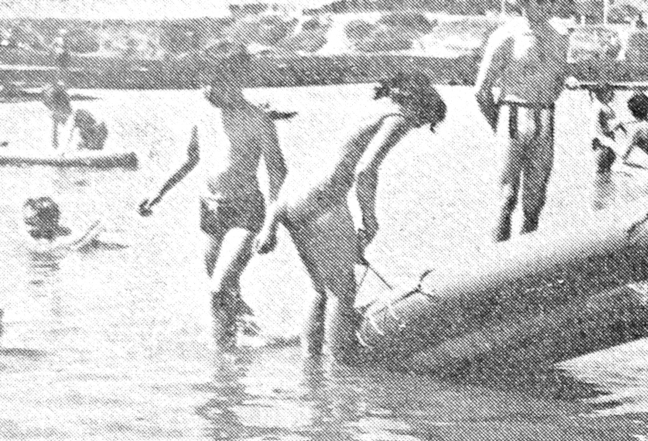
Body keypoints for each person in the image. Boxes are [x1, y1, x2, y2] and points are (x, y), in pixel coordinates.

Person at [252, 73, 446, 363]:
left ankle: (312, 368)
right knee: (342, 293)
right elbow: (366, 170)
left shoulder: (369, 110)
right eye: (423, 121)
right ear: (420, 104)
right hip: (323, 201)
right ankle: (342, 372)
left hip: (292, 198)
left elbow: (311, 169)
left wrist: (270, 224)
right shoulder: (399, 117)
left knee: (321, 290)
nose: (417, 127)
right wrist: (369, 219)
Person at [138, 43, 287, 348]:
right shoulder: (203, 118)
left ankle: (224, 363)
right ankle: (247, 338)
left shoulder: (259, 120)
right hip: (210, 208)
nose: (206, 90)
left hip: (245, 210)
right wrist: (159, 191)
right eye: (202, 83)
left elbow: (277, 172)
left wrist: (272, 224)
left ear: (235, 80)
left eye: (214, 83)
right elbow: (189, 160)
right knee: (224, 288)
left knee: (219, 287)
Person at [474, 0, 570, 242]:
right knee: (506, 198)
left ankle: (527, 269)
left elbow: (558, 81)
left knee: (536, 201)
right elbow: (481, 91)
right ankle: (495, 267)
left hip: (545, 116)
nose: (545, 6)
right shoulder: (506, 35)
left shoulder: (559, 36)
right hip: (512, 114)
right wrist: (499, 125)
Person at [21, 196, 122, 255]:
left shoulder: (56, 233)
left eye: (32, 223)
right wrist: (94, 231)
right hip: (81, 247)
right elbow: (76, 245)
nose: (29, 228)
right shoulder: (41, 243)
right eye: (27, 223)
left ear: (49, 222)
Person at [589, 83, 622, 174]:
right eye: (610, 93)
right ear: (603, 94)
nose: (613, 95)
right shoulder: (602, 108)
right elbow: (604, 129)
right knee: (605, 171)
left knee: (603, 172)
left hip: (600, 144)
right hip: (604, 144)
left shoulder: (597, 106)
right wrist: (618, 125)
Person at [42, 79, 71, 149]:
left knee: (57, 128)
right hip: (58, 112)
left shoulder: (57, 93)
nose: (62, 88)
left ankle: (56, 143)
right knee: (58, 128)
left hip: (58, 112)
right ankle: (56, 143)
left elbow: (47, 102)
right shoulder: (61, 94)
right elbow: (67, 104)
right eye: (61, 86)